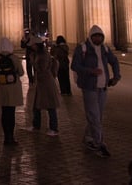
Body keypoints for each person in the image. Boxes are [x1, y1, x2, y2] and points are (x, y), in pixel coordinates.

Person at [71, 24, 121, 157]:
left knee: (97, 115)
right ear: (91, 37)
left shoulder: (105, 48)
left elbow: (114, 61)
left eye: (100, 36)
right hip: (89, 87)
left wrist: (116, 76)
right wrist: (90, 71)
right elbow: (74, 65)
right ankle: (99, 144)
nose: (98, 38)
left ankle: (88, 137)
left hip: (103, 87)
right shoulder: (83, 48)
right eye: (96, 36)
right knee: (94, 115)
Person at [0, 36, 25, 146]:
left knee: (4, 113)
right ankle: (11, 136)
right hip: (13, 89)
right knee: (11, 114)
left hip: (2, 88)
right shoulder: (14, 58)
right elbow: (21, 73)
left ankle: (6, 137)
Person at [26, 39, 61, 136]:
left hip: (46, 82)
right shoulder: (38, 54)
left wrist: (33, 61)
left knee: (50, 105)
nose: (31, 47)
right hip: (41, 83)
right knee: (36, 106)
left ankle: (54, 128)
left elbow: (42, 69)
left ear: (37, 45)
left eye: (33, 45)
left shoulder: (44, 55)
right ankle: (36, 125)